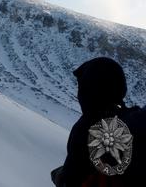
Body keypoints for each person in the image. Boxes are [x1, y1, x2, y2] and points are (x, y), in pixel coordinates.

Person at [51, 57, 146, 187]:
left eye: (81, 86)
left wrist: (59, 176)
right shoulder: (132, 118)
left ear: (90, 91)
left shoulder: (87, 129)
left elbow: (72, 179)